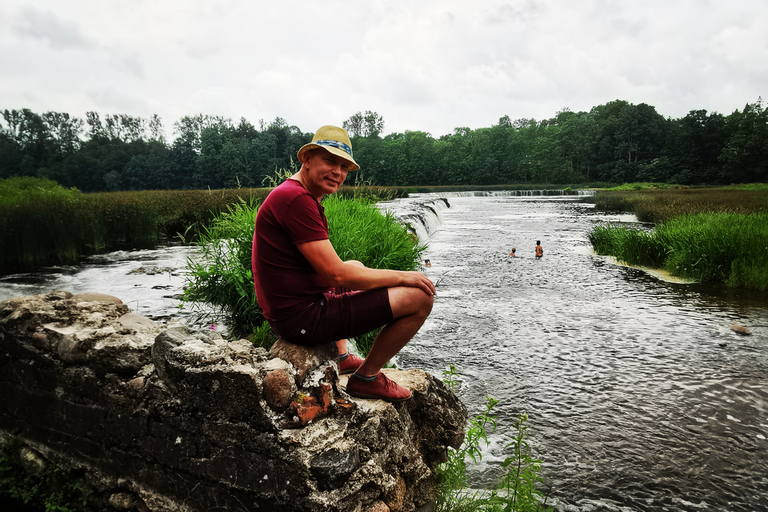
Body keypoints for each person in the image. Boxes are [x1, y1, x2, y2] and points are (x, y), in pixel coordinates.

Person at [251, 125, 435, 402]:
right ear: (307, 159)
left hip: (291, 310)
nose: (338, 172)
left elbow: (335, 269)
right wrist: (402, 276)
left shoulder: (296, 194)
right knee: (419, 298)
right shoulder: (296, 199)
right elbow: (336, 275)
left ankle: (342, 356)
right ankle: (367, 378)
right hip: (302, 319)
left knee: (356, 264)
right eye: (329, 161)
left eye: (344, 166)